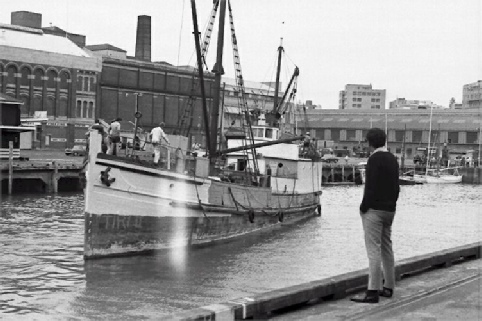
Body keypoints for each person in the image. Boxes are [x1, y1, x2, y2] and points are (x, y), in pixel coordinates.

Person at [351, 128, 400, 304]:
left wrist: (363, 207)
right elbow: (397, 187)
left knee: (373, 250)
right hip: (389, 210)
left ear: (370, 142)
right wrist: (392, 205)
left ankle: (373, 291)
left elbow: (370, 187)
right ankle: (389, 286)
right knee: (387, 247)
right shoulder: (393, 159)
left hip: (374, 210)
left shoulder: (373, 159)